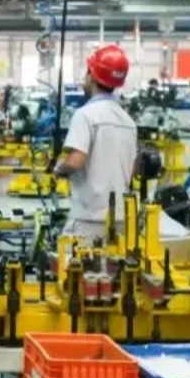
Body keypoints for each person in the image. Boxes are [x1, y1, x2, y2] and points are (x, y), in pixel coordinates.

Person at [53, 44, 138, 243]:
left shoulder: (85, 115)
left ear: (91, 75)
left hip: (89, 218)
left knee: (70, 270)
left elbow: (76, 161)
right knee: (113, 271)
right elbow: (132, 170)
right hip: (121, 219)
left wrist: (59, 168)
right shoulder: (128, 121)